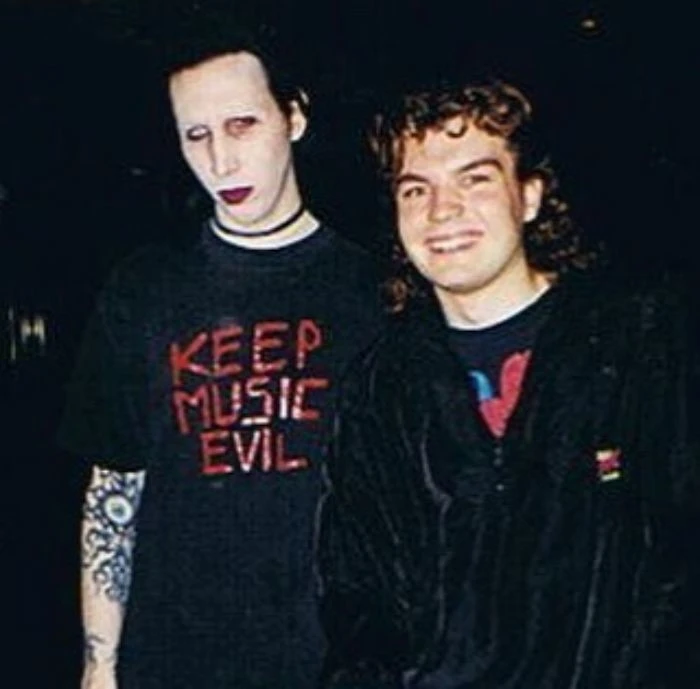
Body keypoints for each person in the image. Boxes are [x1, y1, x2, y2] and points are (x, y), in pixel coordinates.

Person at [317, 75, 700, 688]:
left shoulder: (643, 345)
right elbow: (361, 606)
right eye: (416, 189)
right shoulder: (382, 390)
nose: (442, 211)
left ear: (529, 196)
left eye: (474, 179)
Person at [58, 14, 383, 689]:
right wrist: (99, 662)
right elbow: (114, 488)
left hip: (334, 664)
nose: (221, 161)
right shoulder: (144, 288)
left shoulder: (376, 290)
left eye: (242, 125)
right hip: (173, 661)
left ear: (294, 117)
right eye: (196, 135)